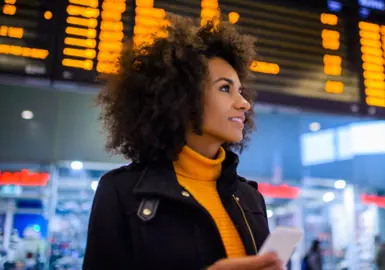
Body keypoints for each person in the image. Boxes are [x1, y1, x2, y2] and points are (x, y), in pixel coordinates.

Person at [83, 16, 284, 270]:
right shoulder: (121, 192)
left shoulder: (250, 199)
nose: (244, 103)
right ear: (182, 98)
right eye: (225, 89)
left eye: (241, 91)